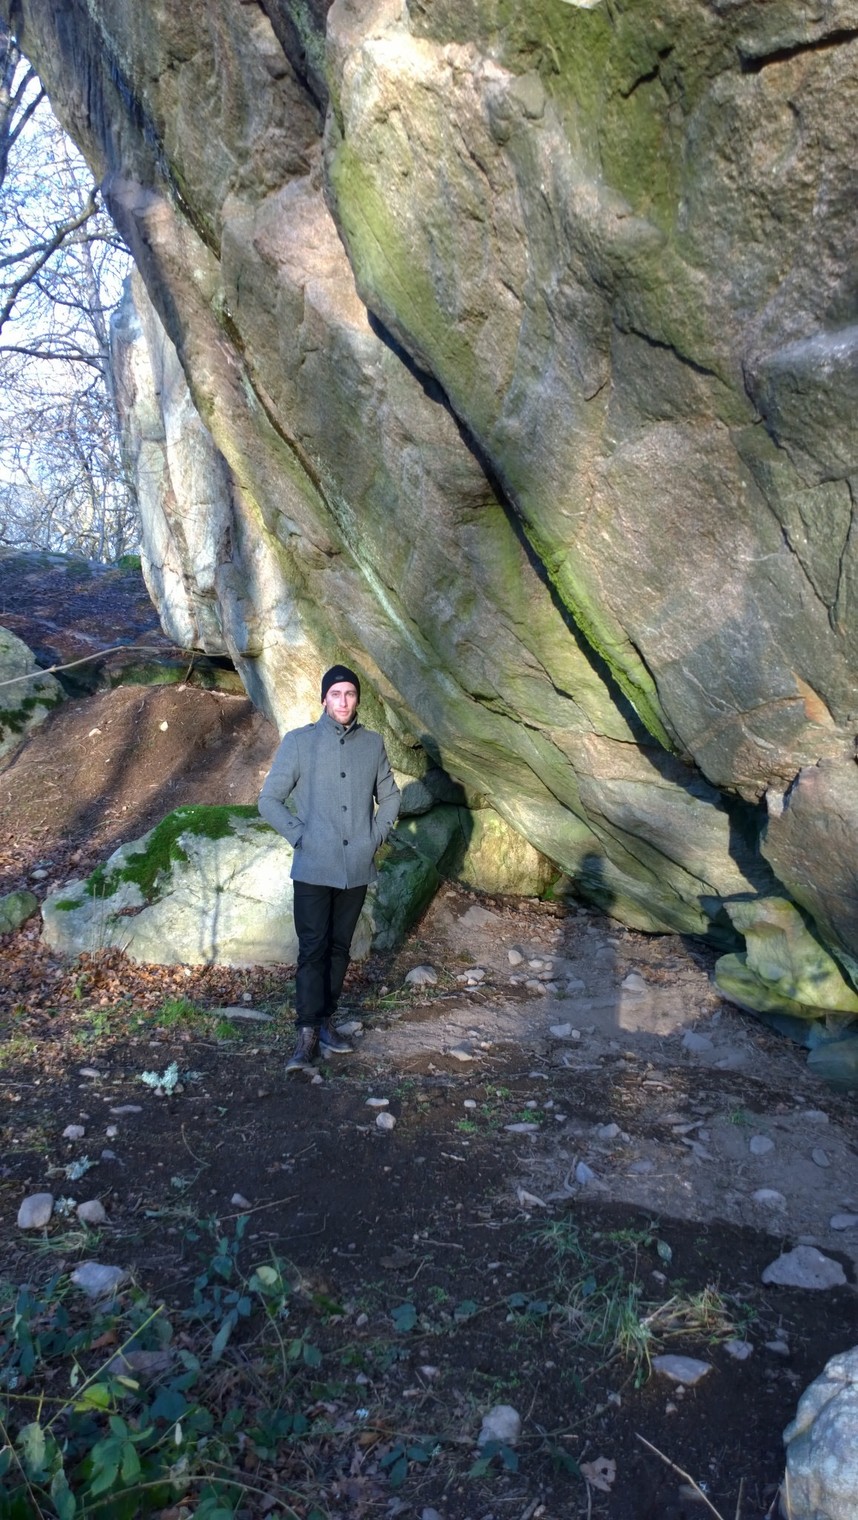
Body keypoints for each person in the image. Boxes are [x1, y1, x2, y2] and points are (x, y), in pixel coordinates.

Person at [259, 664, 400, 1072]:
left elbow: (390, 797)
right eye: (335, 694)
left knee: (340, 948)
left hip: (355, 867)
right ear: (324, 699)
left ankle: (326, 1023)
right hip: (312, 867)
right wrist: (300, 837)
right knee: (313, 949)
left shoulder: (372, 744)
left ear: (357, 700)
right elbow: (269, 800)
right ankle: (305, 1034)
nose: (343, 701)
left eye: (350, 694)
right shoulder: (299, 742)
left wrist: (374, 837)